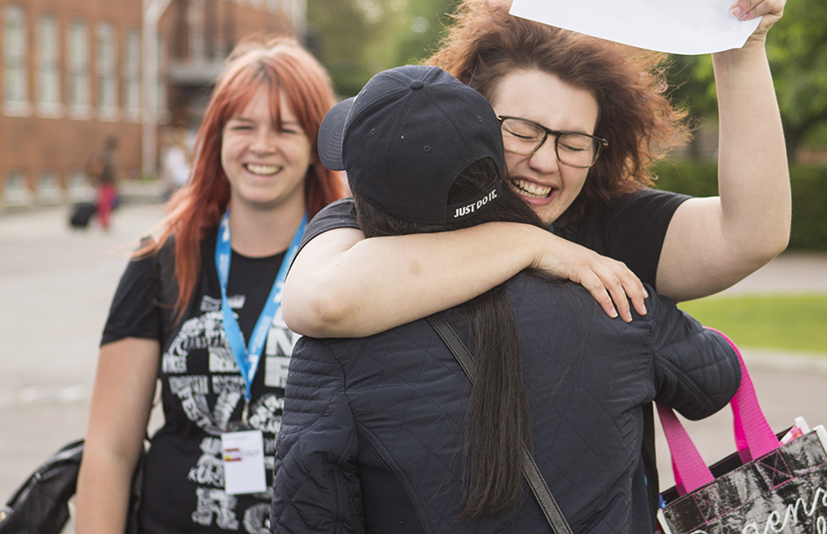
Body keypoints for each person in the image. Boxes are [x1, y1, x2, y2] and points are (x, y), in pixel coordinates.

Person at [280, 0, 788, 515]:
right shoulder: (375, 221)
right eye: (521, 131)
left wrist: (742, 49)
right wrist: (527, 244)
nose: (546, 162)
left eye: (574, 143)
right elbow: (320, 300)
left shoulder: (609, 223)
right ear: (468, 115)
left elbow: (752, 233)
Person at [273, 66, 741, 533]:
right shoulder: (611, 295)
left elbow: (311, 516)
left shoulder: (333, 350)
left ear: (360, 194)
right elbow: (718, 379)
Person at [75, 37, 347, 534]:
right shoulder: (161, 259)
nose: (261, 146)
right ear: (217, 138)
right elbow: (110, 450)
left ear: (314, 148)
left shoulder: (348, 261)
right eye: (243, 126)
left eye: (286, 129)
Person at [91, 136, 119, 230]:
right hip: (107, 182)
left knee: (105, 203)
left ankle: (104, 222)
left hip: (105, 182)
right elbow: (110, 171)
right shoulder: (108, 155)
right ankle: (104, 223)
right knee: (106, 204)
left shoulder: (104, 154)